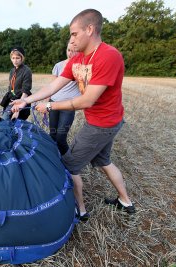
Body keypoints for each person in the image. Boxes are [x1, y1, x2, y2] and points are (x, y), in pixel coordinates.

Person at [12, 9, 135, 222]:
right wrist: (26, 101)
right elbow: (53, 86)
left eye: (74, 34)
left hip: (102, 124)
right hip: (103, 121)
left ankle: (80, 210)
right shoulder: (77, 59)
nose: (71, 39)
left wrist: (51, 107)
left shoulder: (108, 56)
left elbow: (87, 100)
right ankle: (126, 201)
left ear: (90, 29)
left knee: (68, 165)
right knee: (104, 160)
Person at [48, 43, 81, 155]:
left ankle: (69, 163)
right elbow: (51, 86)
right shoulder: (58, 65)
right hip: (53, 103)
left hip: (68, 106)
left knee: (61, 137)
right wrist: (47, 102)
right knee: (52, 134)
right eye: (69, 50)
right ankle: (54, 158)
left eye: (74, 50)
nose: (71, 53)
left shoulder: (81, 67)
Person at [0, 46, 32, 120]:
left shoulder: (26, 71)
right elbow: (11, 86)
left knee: (17, 124)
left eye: (17, 58)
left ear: (22, 58)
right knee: (4, 122)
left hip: (21, 100)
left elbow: (26, 90)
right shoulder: (12, 71)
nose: (15, 60)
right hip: (11, 100)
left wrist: (19, 106)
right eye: (13, 58)